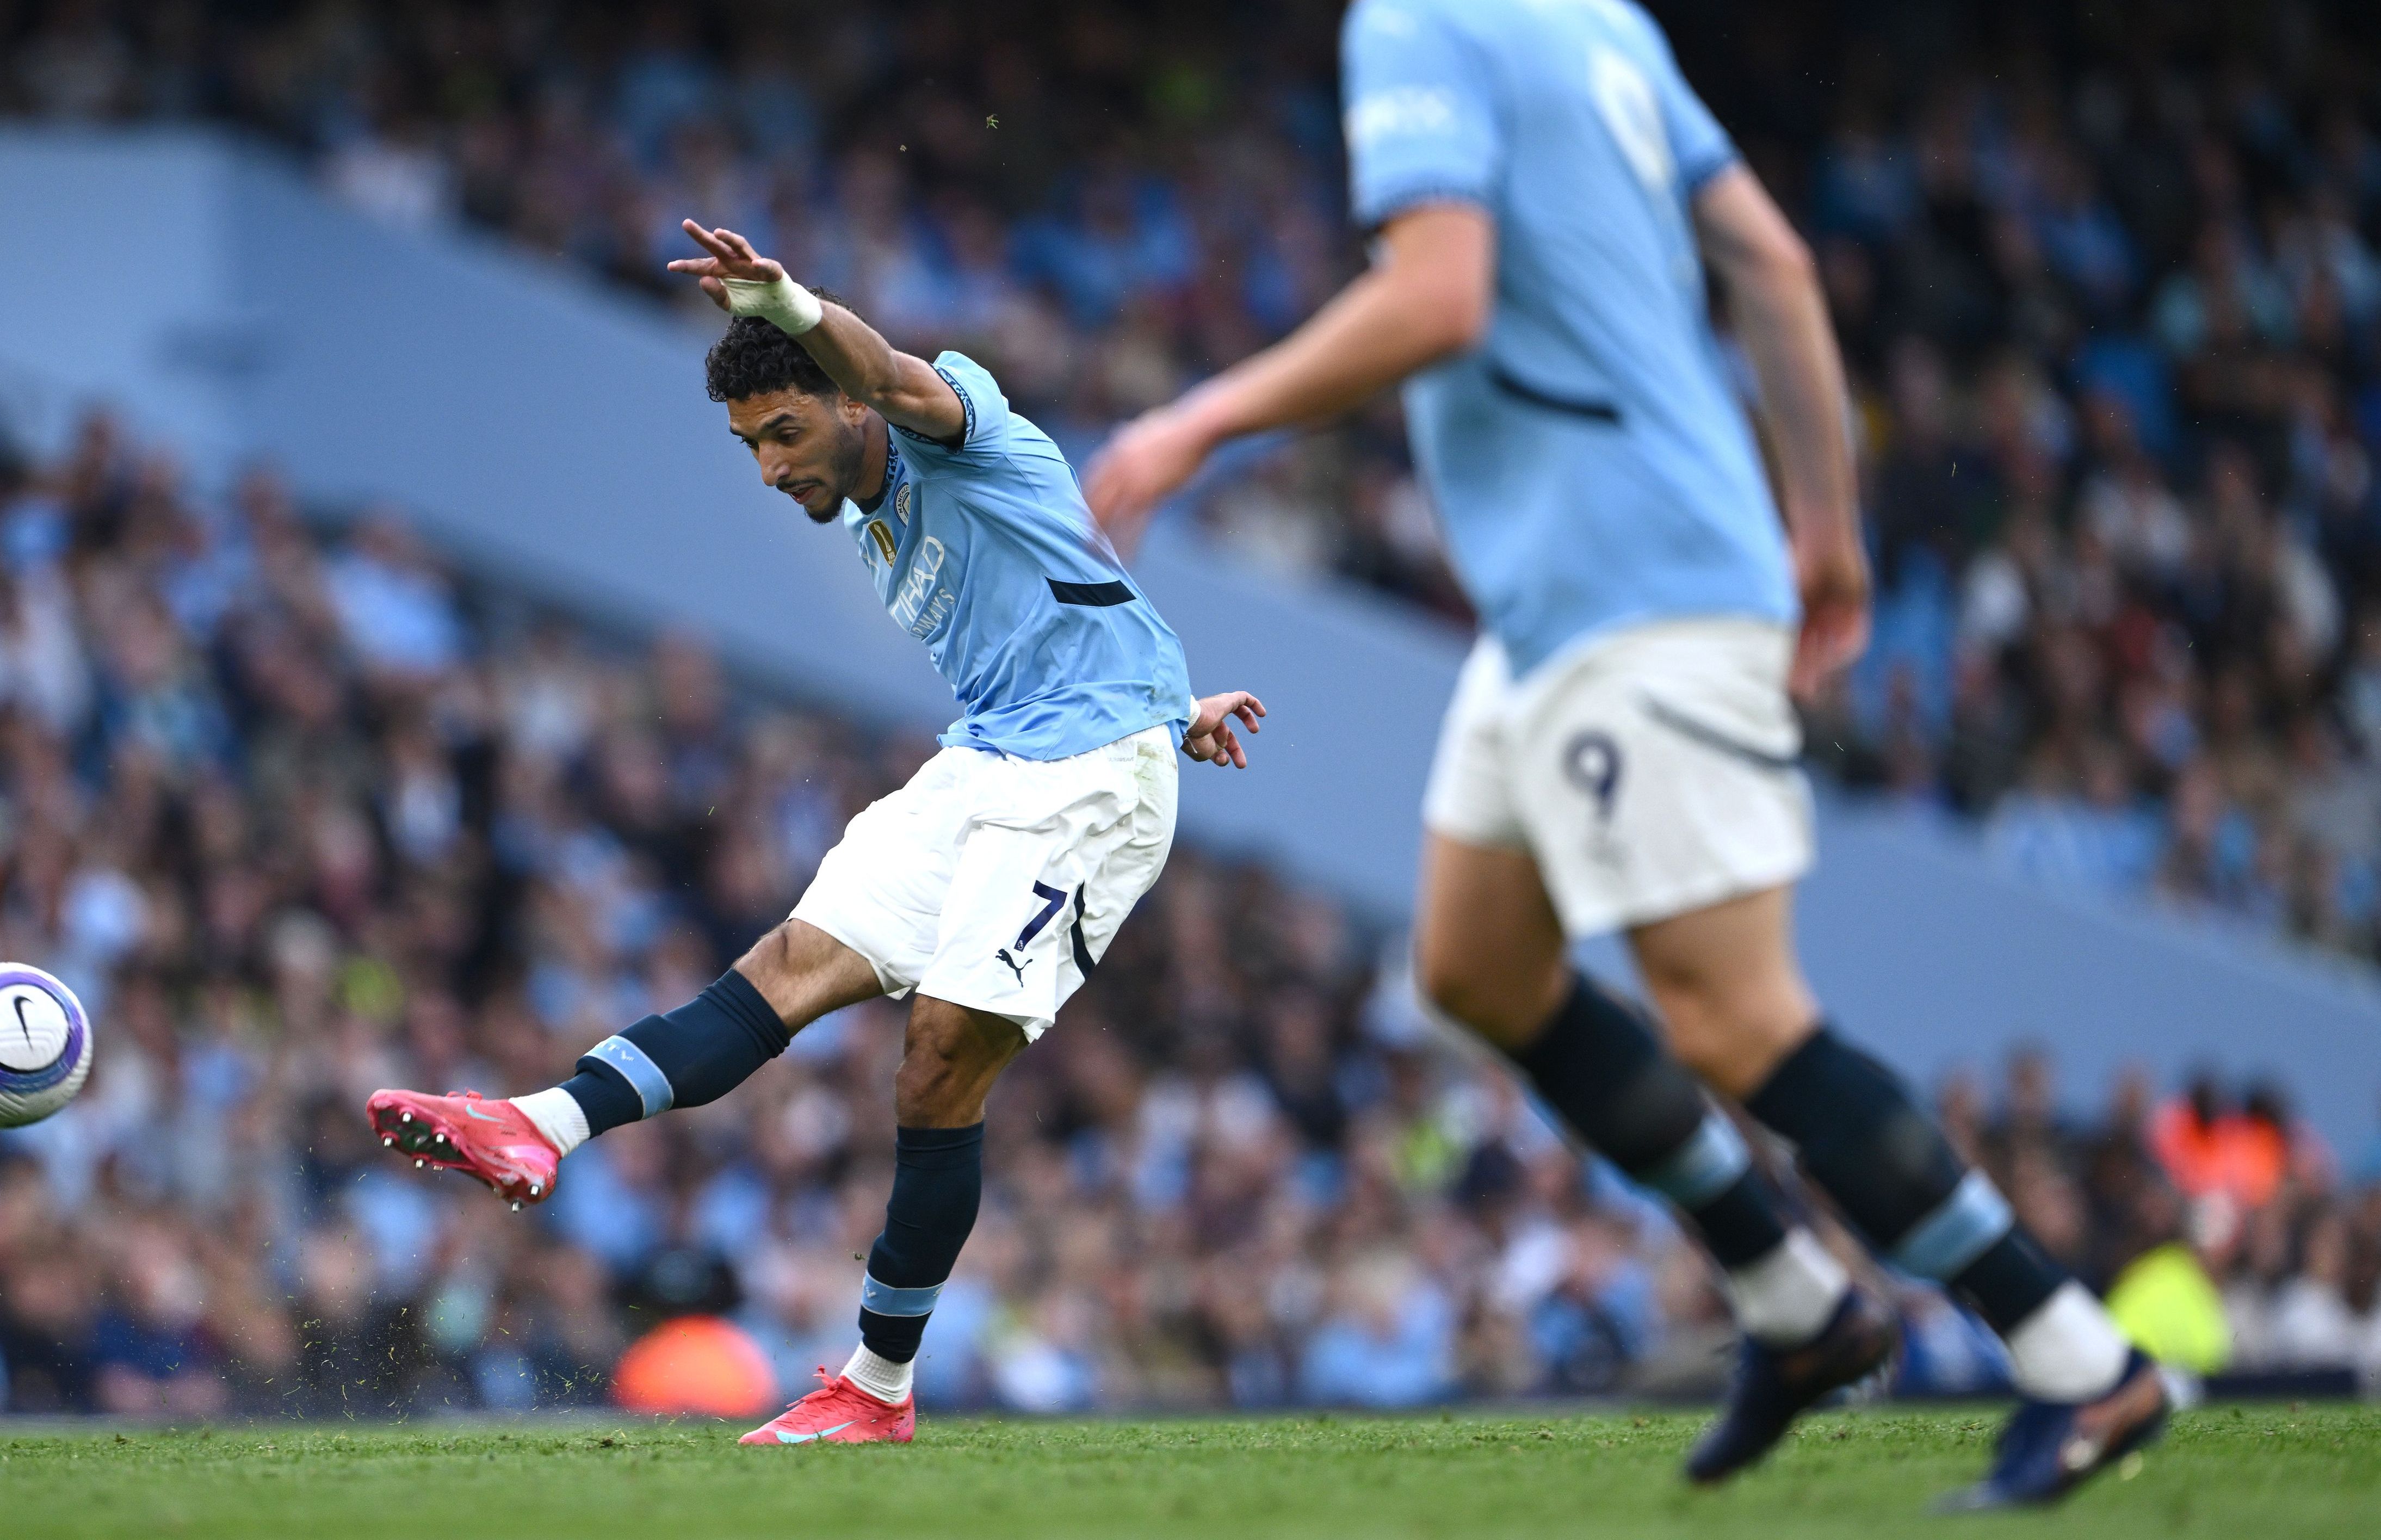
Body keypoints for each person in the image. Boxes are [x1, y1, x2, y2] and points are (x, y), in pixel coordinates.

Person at [1083, 0, 2163, 1508]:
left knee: (1735, 1020)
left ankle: (2077, 1358)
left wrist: (1198, 420)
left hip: (1633, 590)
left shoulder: (1416, 22)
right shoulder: (1598, 20)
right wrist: (1831, 542)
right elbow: (1773, 267)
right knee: (1475, 970)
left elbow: (1439, 301)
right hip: (1559, 614)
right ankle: (1796, 1309)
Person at [368, 218, 1266, 1447]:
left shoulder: (953, 428)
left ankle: (876, 1387)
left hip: (1088, 781)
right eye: (749, 445)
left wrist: (789, 304)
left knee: (940, 1051)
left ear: (846, 409)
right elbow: (1074, 583)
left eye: (784, 430)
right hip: (991, 759)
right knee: (788, 966)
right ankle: (540, 1123)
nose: (768, 465)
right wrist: (1181, 698)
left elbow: (895, 375)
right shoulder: (866, 511)